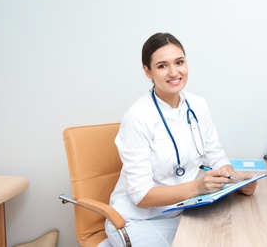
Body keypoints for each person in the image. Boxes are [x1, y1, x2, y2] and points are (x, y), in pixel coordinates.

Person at [105, 32, 258, 247]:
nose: (174, 72)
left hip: (181, 211)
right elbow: (141, 196)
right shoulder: (137, 117)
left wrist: (235, 180)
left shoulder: (198, 105)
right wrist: (198, 187)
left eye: (179, 62)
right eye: (162, 66)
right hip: (135, 221)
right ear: (147, 71)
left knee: (232, 231)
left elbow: (214, 153)